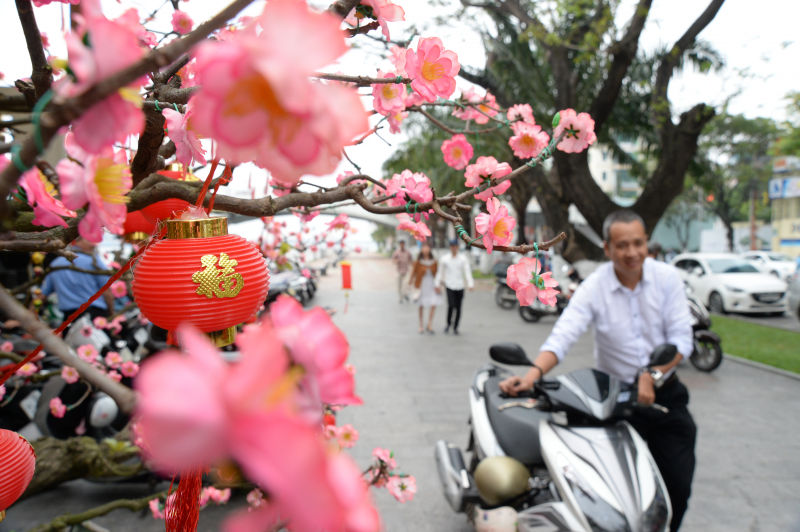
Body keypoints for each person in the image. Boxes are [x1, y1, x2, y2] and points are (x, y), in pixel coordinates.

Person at [499, 210, 696, 532]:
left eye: (638, 243)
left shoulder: (667, 279)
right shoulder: (594, 286)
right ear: (607, 248)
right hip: (615, 403)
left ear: (647, 243)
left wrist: (652, 374)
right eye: (622, 245)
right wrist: (533, 374)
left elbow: (681, 339)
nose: (631, 253)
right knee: (612, 494)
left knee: (676, 487)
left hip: (663, 397)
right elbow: (564, 335)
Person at [41, 238, 114, 336]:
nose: (93, 245)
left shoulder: (55, 265)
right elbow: (107, 293)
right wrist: (112, 314)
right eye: (89, 240)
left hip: (70, 319)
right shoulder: (94, 262)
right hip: (95, 316)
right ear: (77, 241)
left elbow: (41, 296)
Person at [435, 239, 474, 335]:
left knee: (458, 307)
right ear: (450, 247)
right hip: (449, 285)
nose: (453, 248)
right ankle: (448, 323)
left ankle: (456, 326)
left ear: (457, 247)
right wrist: (437, 284)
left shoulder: (463, 259)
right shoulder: (445, 259)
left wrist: (470, 283)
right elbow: (440, 272)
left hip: (460, 285)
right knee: (451, 305)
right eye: (452, 246)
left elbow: (467, 271)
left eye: (455, 246)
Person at [409, 243, 441, 334]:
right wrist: (410, 283)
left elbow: (437, 273)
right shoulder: (418, 262)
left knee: (433, 303)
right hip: (421, 285)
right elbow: (413, 272)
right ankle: (421, 325)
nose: (426, 249)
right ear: (421, 249)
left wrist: (439, 284)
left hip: (432, 284)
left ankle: (429, 324)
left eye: (427, 247)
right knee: (421, 305)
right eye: (424, 247)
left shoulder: (434, 261)